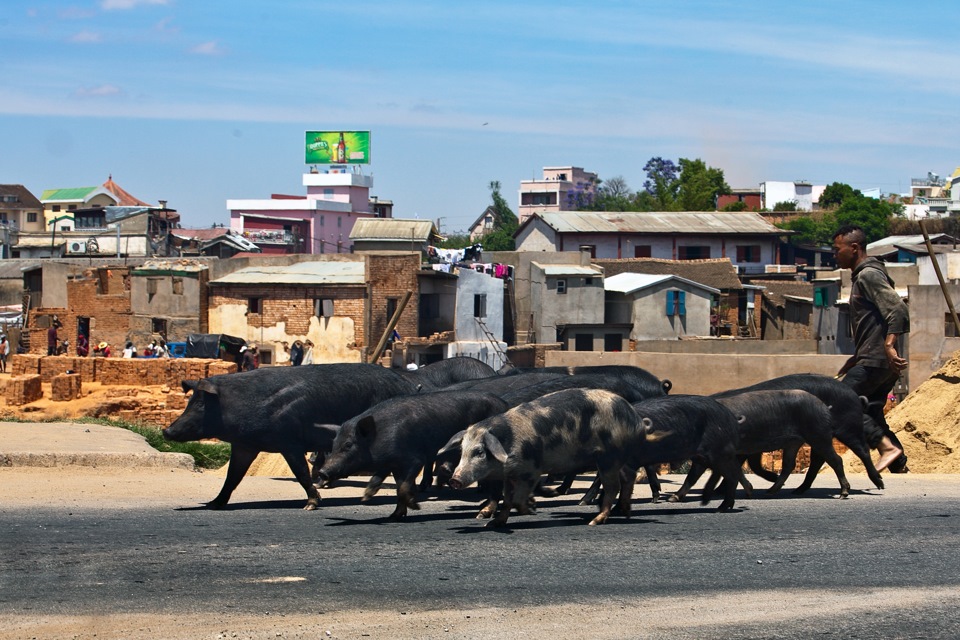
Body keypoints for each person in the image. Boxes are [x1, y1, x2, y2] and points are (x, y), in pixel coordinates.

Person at [833, 224, 910, 473]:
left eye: (838, 249)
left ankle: (887, 448)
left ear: (854, 248)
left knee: (838, 403)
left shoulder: (869, 275)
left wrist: (889, 345)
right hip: (874, 359)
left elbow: (897, 309)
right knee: (872, 410)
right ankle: (898, 463)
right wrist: (856, 358)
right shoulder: (864, 275)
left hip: (877, 359)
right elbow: (874, 323)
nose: (835, 255)